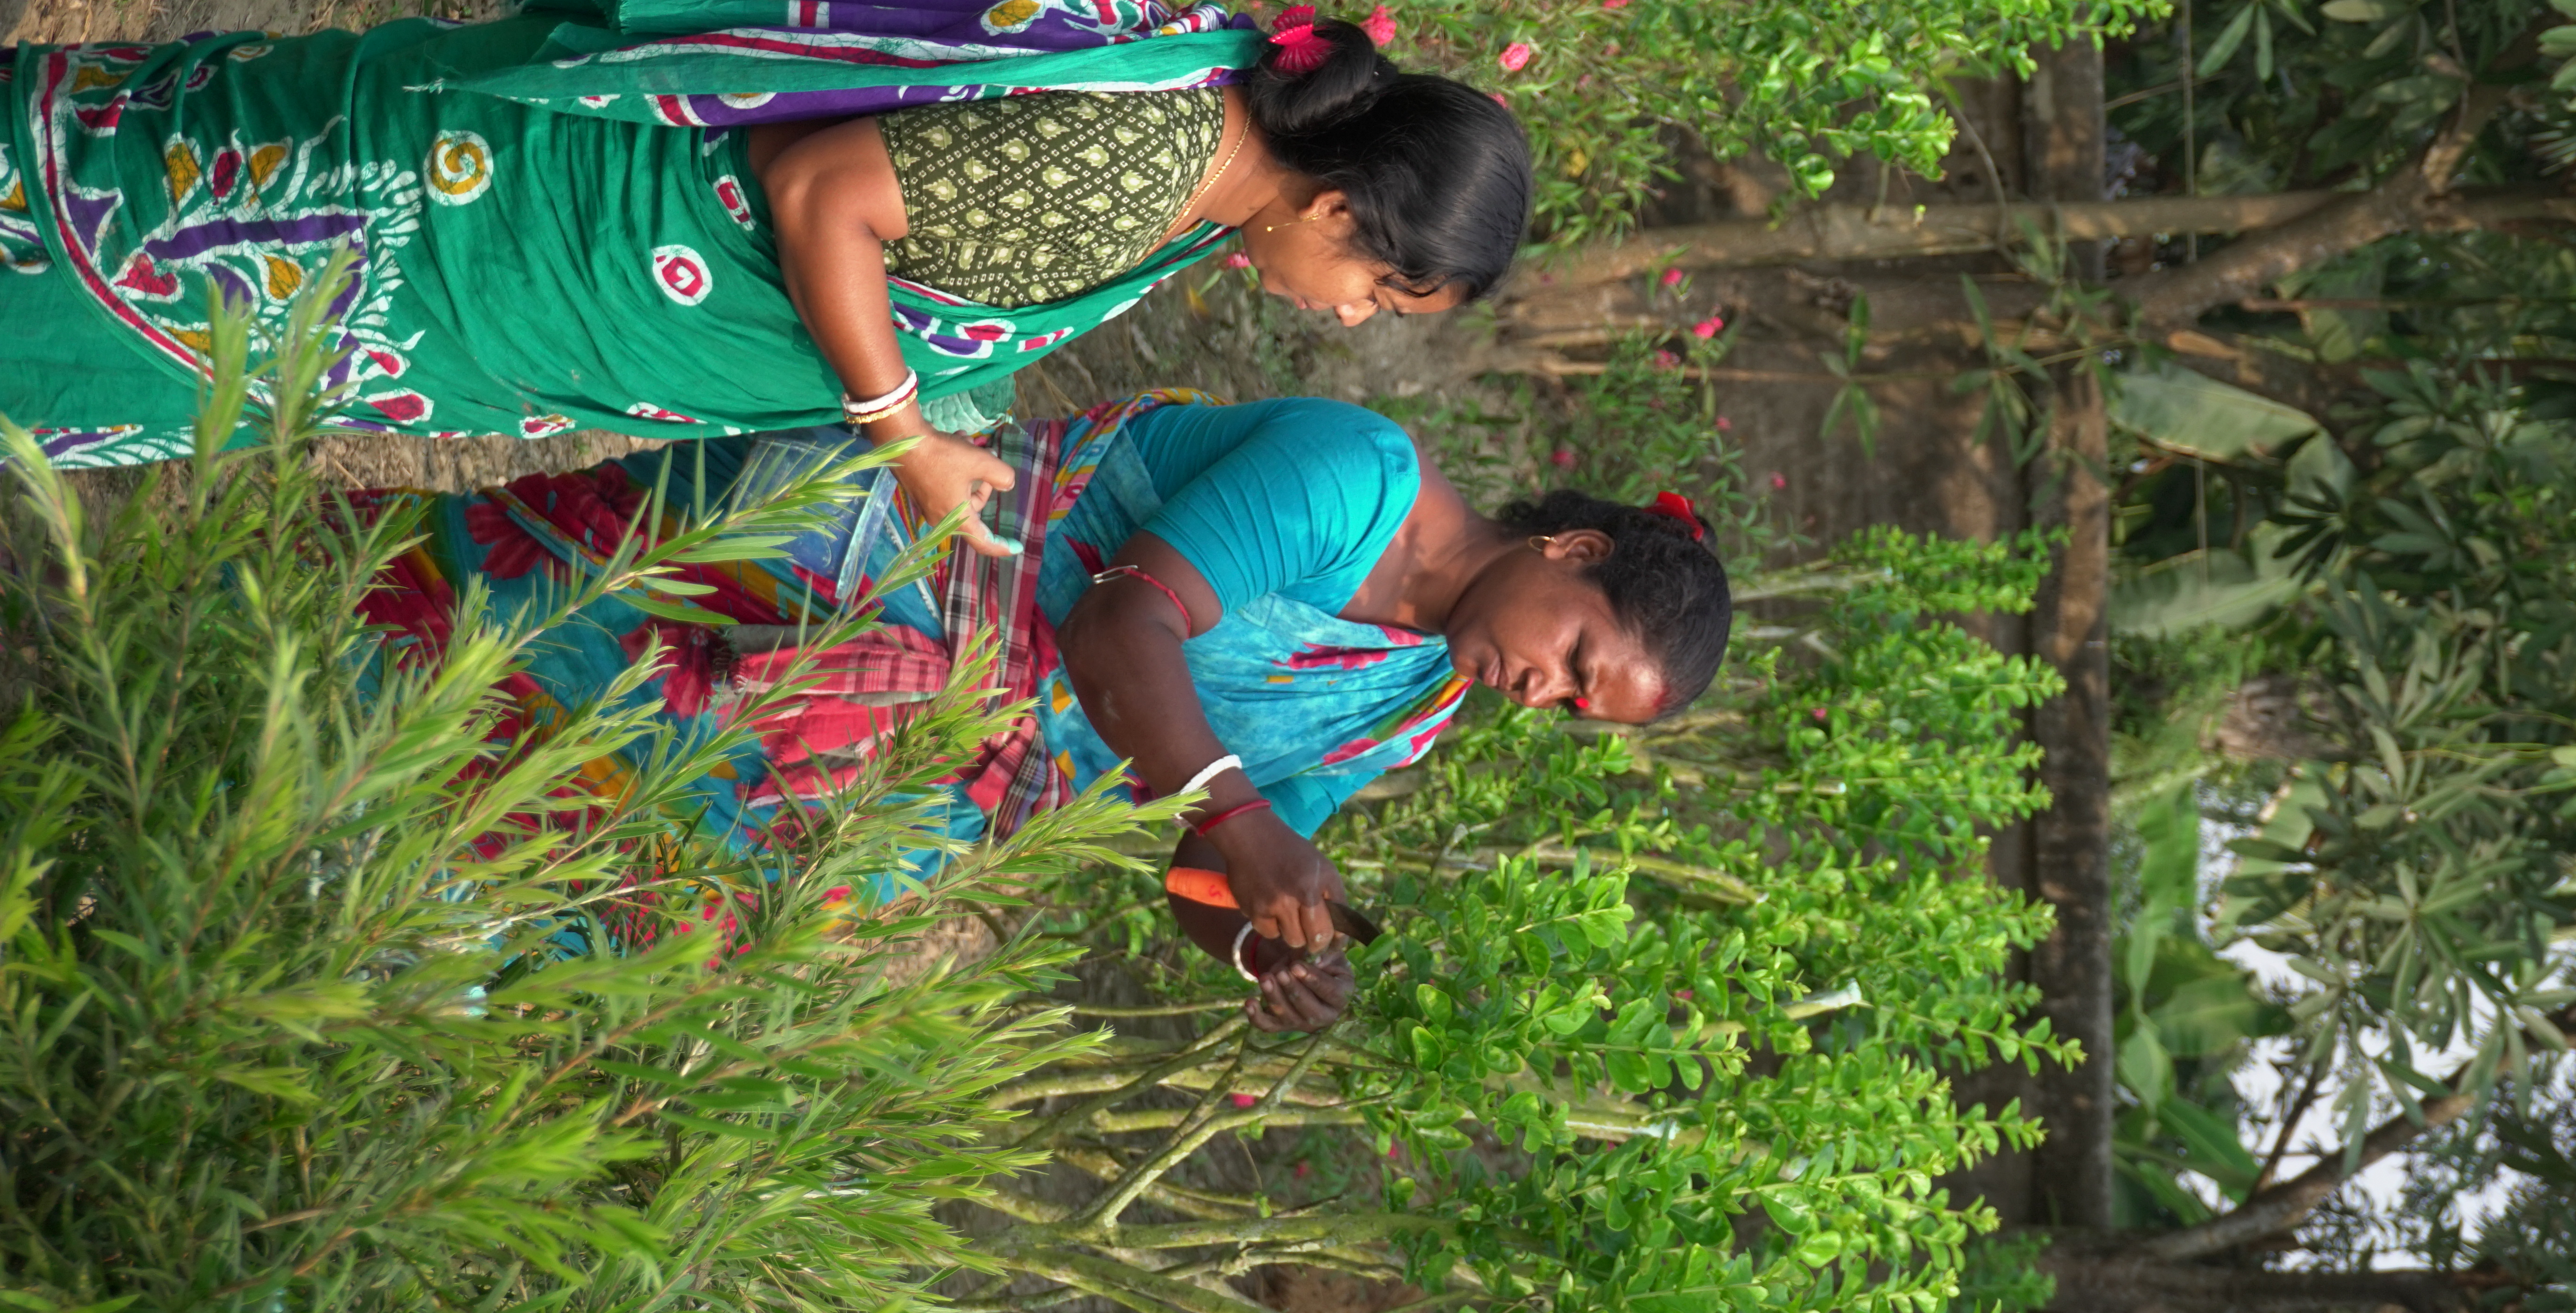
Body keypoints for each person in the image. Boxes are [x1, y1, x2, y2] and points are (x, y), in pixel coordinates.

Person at [2, 0, 1533, 545]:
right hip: (503, 233)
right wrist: (905, 439)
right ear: (1337, 206)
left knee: (157, 162)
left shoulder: (1185, 82)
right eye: (1375, 290)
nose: (1345, 319)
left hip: (502, 191)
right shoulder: (1137, 162)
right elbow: (824, 195)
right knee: (146, 255)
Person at [354, 392, 1732, 1029]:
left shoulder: (1407, 707)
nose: (1539, 691)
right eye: (1574, 657)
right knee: (491, 633)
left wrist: (1258, 939)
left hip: (934, 762)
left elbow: (1210, 853)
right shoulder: (1357, 476)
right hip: (900, 567)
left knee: (648, 888)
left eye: (1567, 708)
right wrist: (1248, 830)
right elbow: (1121, 621)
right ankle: (265, 643)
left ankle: (337, 889)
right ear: (1574, 554)